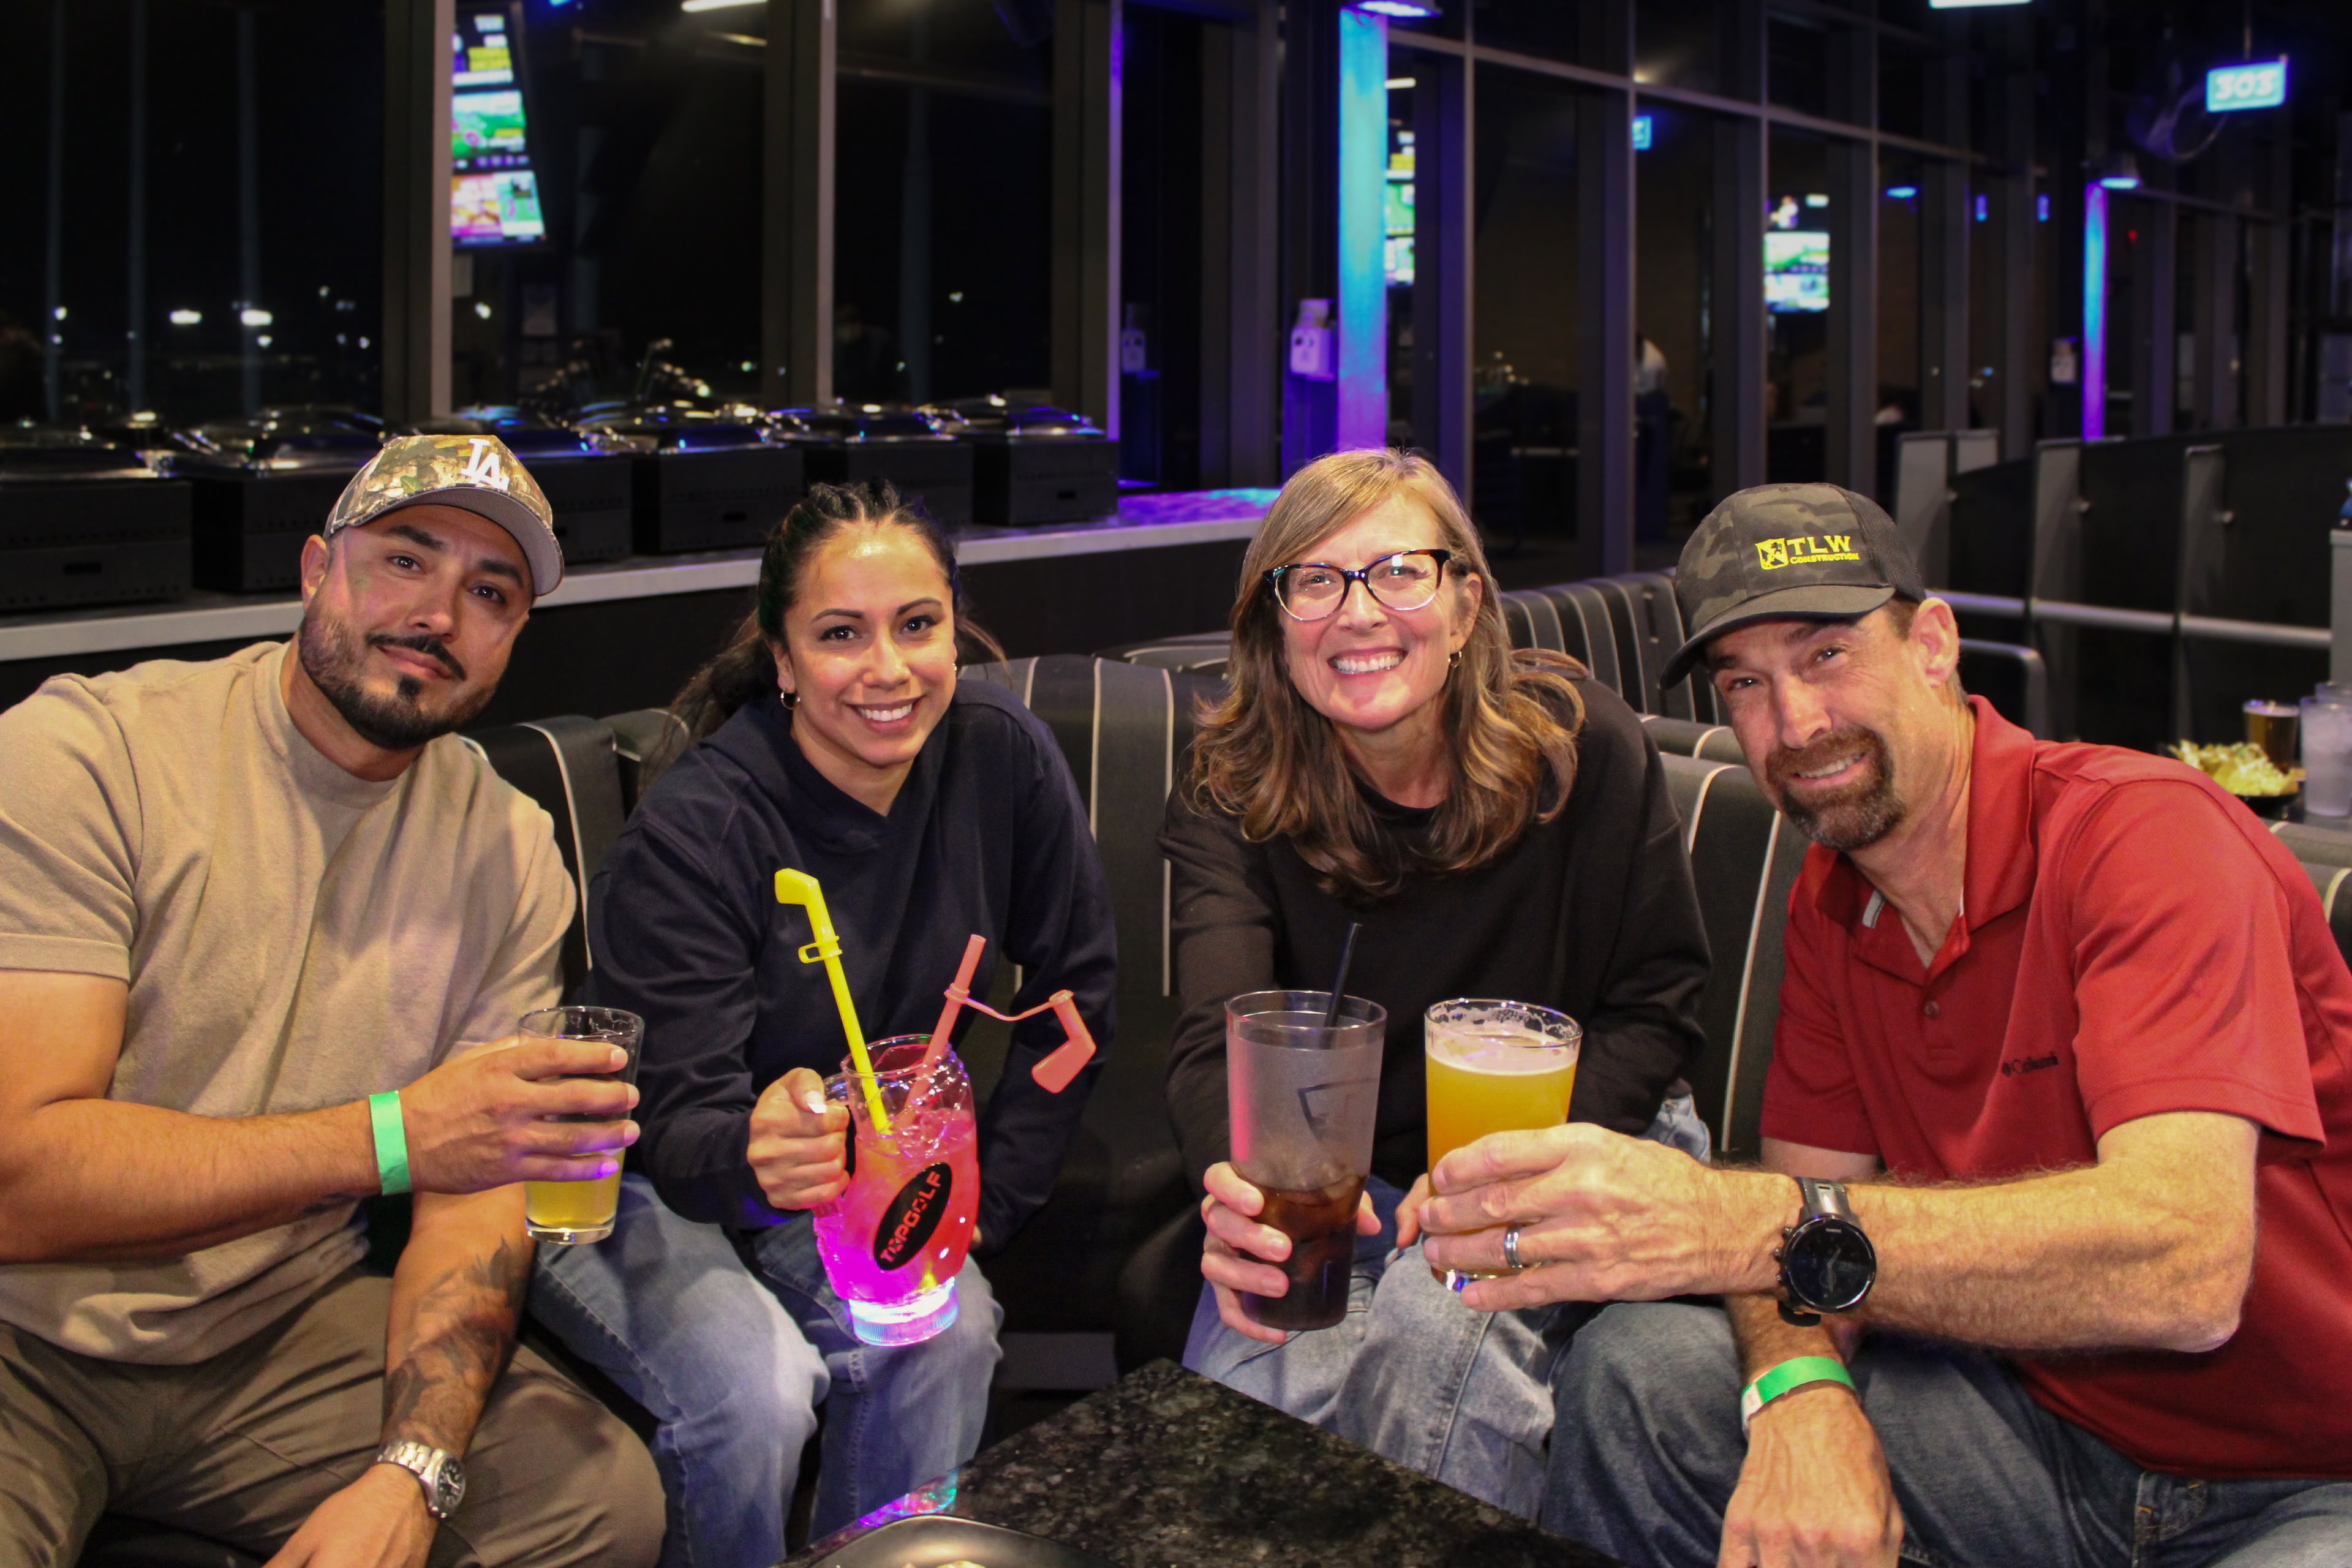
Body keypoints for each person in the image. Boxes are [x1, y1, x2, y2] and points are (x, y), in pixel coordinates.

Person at [1417, 483, 2352, 1567]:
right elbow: (1808, 1220)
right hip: (2034, 1427)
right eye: (1746, 686)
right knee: (1641, 1371)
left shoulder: (2145, 837)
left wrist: (1729, 1224)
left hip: (2305, 1477)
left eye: (1825, 656)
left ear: (1935, 645)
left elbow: (2184, 1272)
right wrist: (1803, 1394)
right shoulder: (1833, 897)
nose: (1795, 725)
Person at [0, 434, 663, 1566]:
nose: (439, 615)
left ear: (511, 639)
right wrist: (395, 1138)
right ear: (316, 569)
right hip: (25, 1333)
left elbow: (473, 1205)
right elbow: (20, 1181)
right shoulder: (87, 752)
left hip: (278, 1321)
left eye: (489, 592)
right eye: (406, 561)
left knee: (602, 1504)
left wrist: (413, 1468)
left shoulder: (506, 848)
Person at [528, 478, 1115, 1562]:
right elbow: (677, 1123)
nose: (888, 671)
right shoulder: (697, 833)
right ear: (785, 658)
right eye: (841, 634)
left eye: (918, 626)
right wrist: (760, 1153)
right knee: (755, 1386)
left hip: (844, 1170)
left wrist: (989, 1207)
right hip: (643, 1172)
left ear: (954, 628)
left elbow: (1073, 1004)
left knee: (949, 1328)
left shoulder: (999, 753)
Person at [1165, 448, 1711, 1519]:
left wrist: (1487, 1195)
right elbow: (1214, 1042)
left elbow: (1657, 1007)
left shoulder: (1578, 748)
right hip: (1347, 1182)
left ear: (1465, 604)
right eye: (1314, 581)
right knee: (1250, 1451)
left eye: (1400, 572)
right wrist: (1245, 1204)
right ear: (1276, 623)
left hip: (1578, 1135)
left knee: (1430, 1347)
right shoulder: (1229, 785)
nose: (1358, 612)